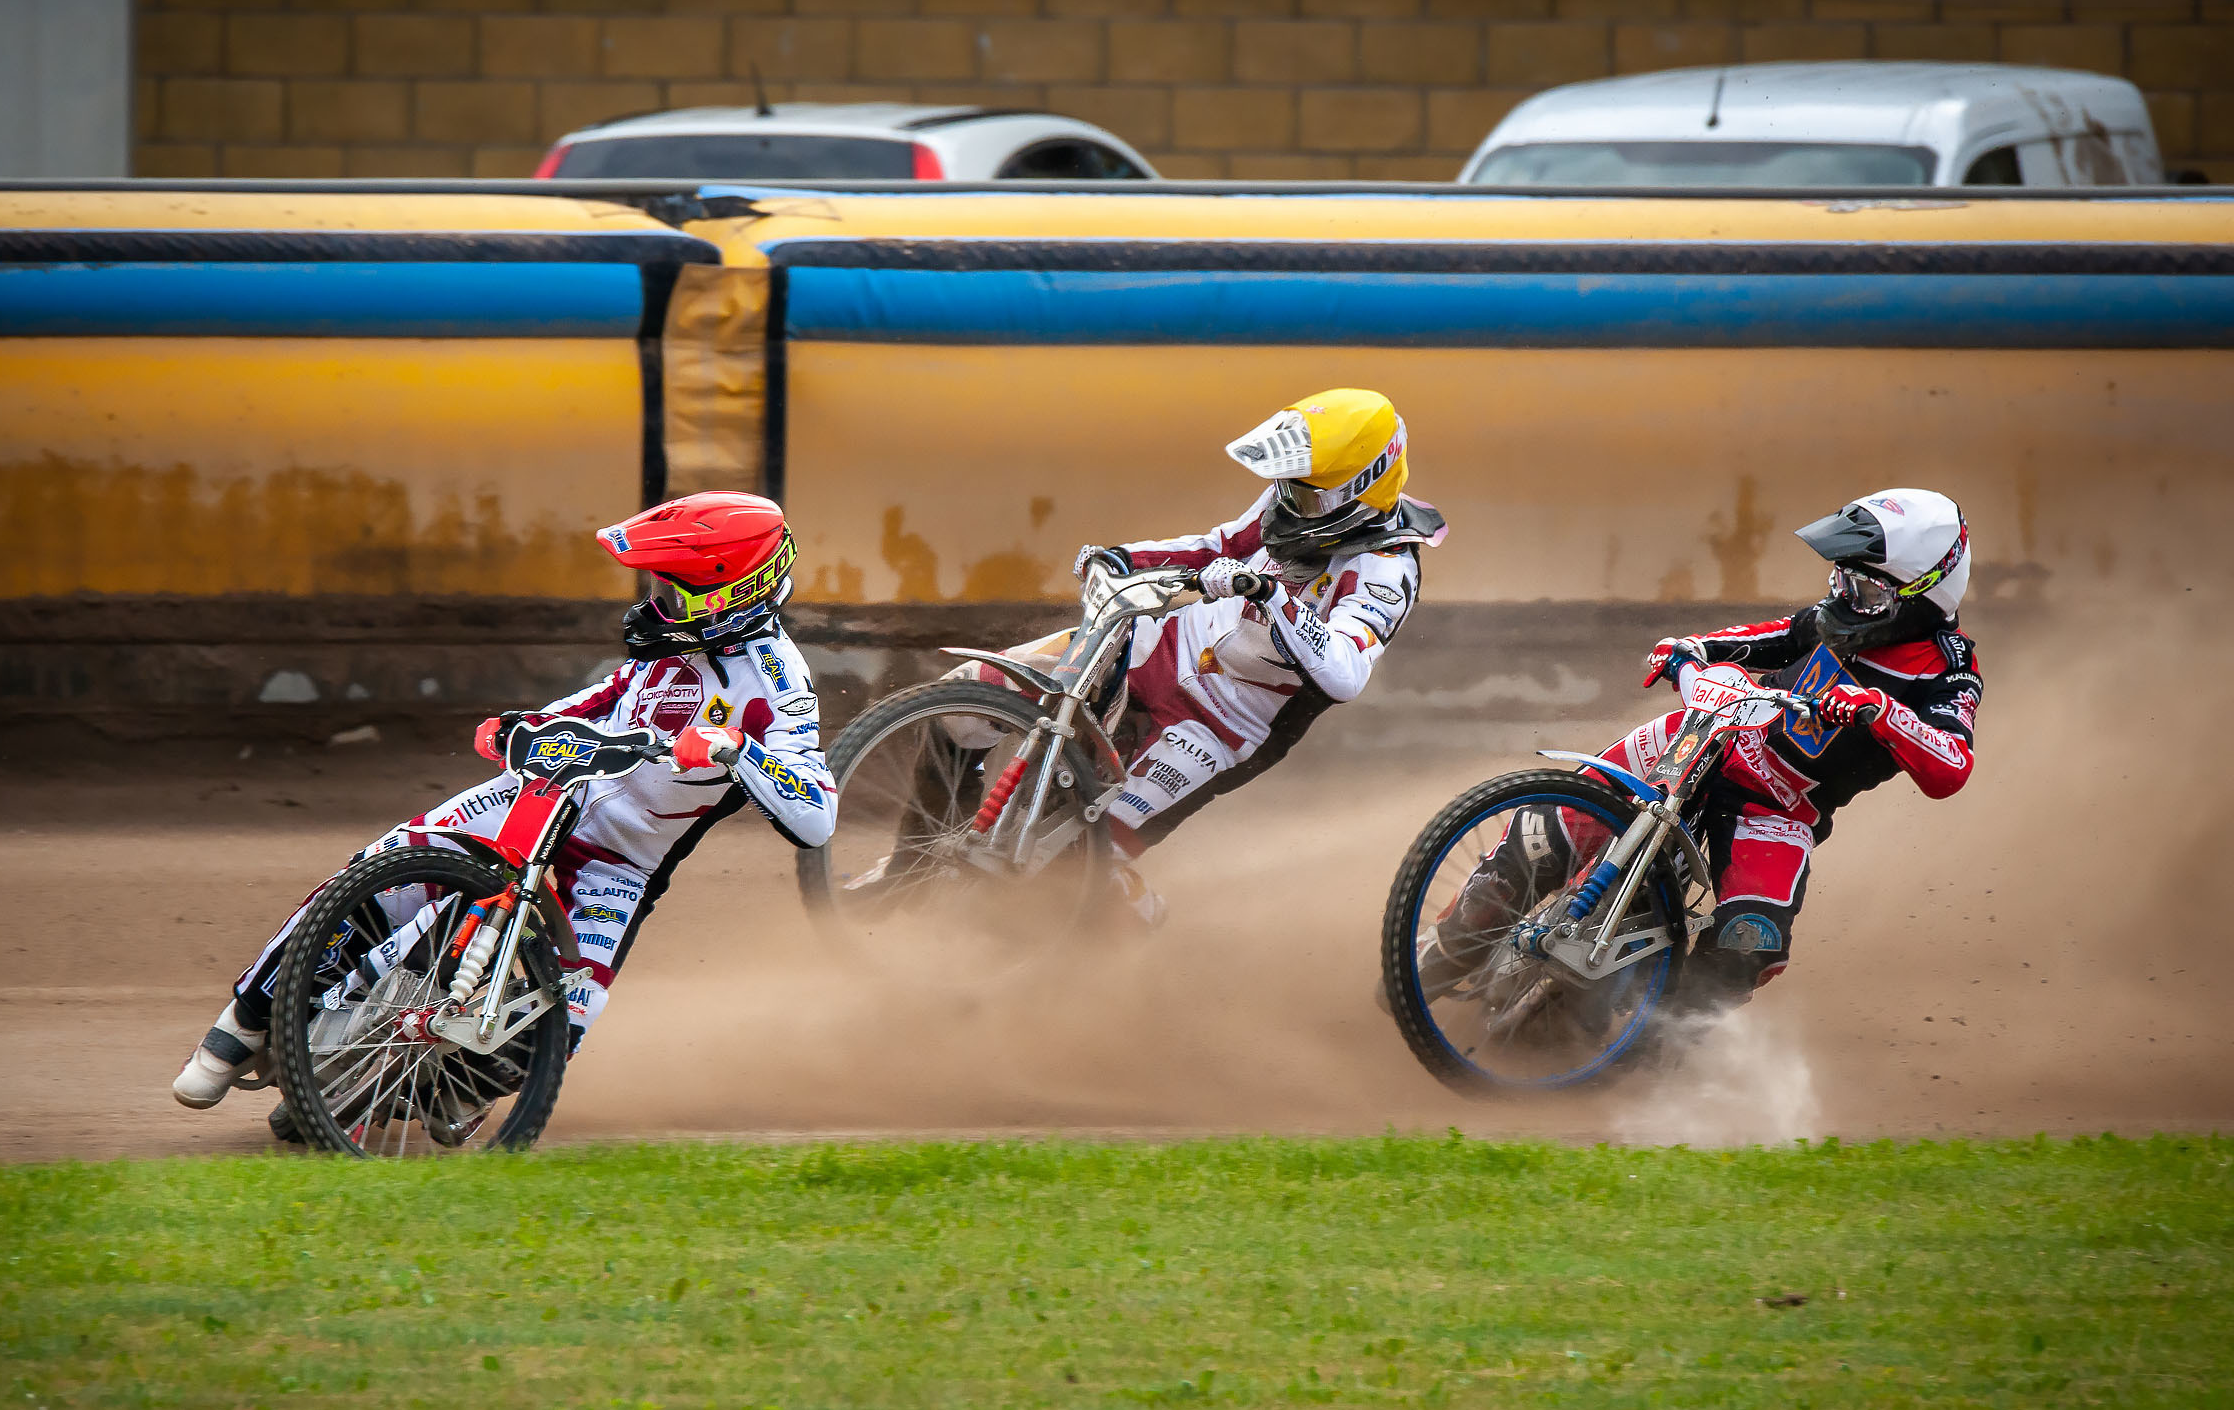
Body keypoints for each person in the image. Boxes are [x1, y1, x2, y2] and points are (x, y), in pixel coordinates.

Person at [171, 491, 836, 1114]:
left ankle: (415, 1097)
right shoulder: (677, 641)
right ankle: (243, 1023)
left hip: (619, 866)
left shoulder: (779, 683)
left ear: (731, 592)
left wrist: (735, 751)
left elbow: (817, 813)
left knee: (565, 1019)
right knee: (388, 864)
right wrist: (524, 723)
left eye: (672, 590)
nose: (655, 603)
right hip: (543, 795)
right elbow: (604, 697)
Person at [1431, 486, 1980, 1013]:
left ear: (1922, 595)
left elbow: (1952, 766)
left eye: (1862, 589)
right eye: (1840, 577)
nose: (1840, 596)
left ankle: (1659, 1047)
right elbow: (1781, 635)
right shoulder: (1838, 618)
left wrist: (1883, 713)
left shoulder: (1950, 670)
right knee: (1540, 842)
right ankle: (1436, 960)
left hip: (1780, 807)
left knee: (1750, 943)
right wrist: (1694, 647)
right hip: (1708, 735)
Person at [955, 387, 1445, 924]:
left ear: (1361, 491)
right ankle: (908, 869)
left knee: (1077, 870)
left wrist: (1272, 596)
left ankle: (1128, 927)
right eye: (1287, 488)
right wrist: (1123, 558)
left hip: (1222, 728)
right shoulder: (1293, 500)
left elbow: (1347, 674)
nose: (1288, 503)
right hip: (1157, 645)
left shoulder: (1387, 569)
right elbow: (1219, 544)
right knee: (964, 697)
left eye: (1306, 496)